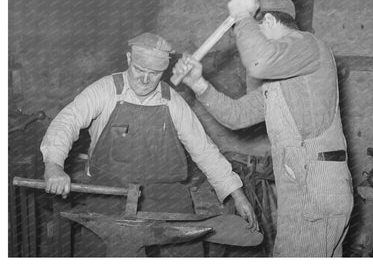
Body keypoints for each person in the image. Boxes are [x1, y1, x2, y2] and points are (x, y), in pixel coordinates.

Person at [40, 32, 258, 257]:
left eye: (154, 74)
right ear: (128, 60)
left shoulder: (172, 101)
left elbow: (203, 150)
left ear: (163, 72)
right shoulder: (105, 90)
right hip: (110, 191)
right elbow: (67, 121)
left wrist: (236, 194)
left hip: (164, 193)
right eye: (139, 70)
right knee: (102, 252)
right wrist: (54, 165)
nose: (145, 80)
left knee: (186, 253)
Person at [173, 0, 354, 257]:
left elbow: (258, 62)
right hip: (303, 187)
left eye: (249, 34)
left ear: (268, 20)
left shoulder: (308, 44)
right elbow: (237, 116)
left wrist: (242, 15)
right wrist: (199, 85)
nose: (243, 45)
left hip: (315, 186)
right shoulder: (282, 81)